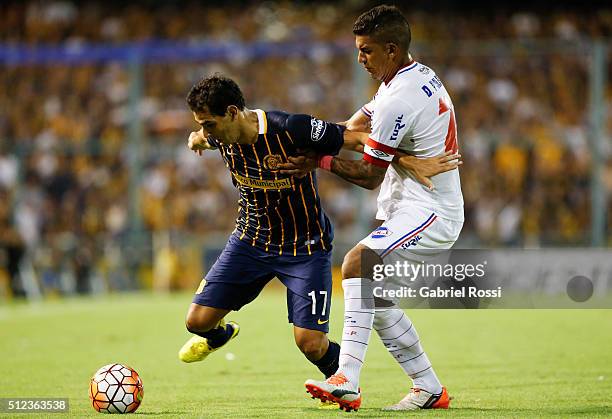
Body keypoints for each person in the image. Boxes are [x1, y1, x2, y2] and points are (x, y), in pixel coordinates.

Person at [178, 75, 460, 396]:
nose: (207, 131)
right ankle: (220, 335)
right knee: (196, 322)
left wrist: (408, 160)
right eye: (203, 124)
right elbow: (200, 138)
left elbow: (355, 138)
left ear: (232, 112)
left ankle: (343, 384)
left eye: (209, 124)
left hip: (305, 248)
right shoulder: (218, 135)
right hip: (250, 242)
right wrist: (195, 139)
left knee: (310, 344)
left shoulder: (291, 128)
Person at [290, 5, 464, 412]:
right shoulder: (410, 75)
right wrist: (336, 144)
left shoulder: (397, 99)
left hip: (430, 210)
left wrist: (319, 160)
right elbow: (353, 128)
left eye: (366, 50)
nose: (360, 58)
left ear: (390, 49)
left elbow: (370, 176)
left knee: (355, 263)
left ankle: (346, 377)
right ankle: (430, 389)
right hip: (419, 205)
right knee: (378, 301)